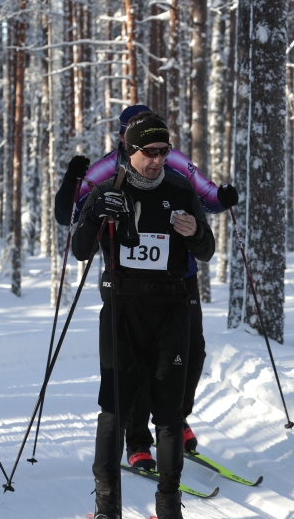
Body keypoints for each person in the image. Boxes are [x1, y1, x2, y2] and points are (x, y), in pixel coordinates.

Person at [56, 104, 238, 471]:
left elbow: (205, 194)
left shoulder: (174, 165)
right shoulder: (108, 170)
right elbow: (71, 217)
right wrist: (70, 182)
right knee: (134, 367)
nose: (155, 156)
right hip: (125, 287)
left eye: (161, 149)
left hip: (178, 281)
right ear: (123, 136)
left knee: (193, 353)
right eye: (132, 133)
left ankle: (175, 415)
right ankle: (138, 441)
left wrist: (223, 198)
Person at [72, 112, 215, 519]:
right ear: (129, 151)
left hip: (171, 311)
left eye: (162, 152)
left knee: (168, 415)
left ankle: (169, 509)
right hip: (122, 309)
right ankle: (106, 508)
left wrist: (195, 233)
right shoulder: (107, 189)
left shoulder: (180, 188)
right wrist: (97, 212)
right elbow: (81, 250)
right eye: (148, 152)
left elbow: (206, 250)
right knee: (114, 410)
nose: (156, 159)